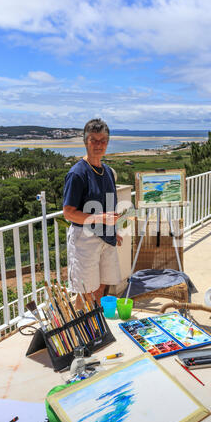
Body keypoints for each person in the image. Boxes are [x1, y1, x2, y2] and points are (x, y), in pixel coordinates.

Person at [63, 118, 123, 310]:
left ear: (108, 142)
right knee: (86, 290)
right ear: (86, 142)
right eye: (94, 140)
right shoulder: (77, 174)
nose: (99, 145)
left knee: (102, 286)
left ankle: (97, 325)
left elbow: (108, 205)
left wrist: (113, 230)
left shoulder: (107, 172)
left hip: (106, 238)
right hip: (85, 240)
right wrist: (101, 219)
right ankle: (83, 329)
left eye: (103, 140)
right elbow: (69, 213)